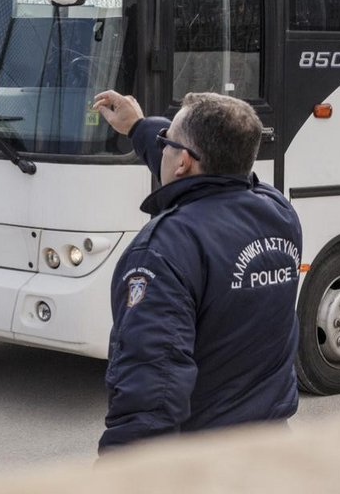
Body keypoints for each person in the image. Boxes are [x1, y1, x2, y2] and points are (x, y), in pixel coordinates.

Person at [91, 89, 301, 453]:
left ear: (184, 162)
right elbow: (214, 169)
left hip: (205, 461)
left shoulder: (164, 249)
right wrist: (139, 126)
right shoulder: (278, 212)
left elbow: (151, 387)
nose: (162, 148)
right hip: (274, 448)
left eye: (166, 141)